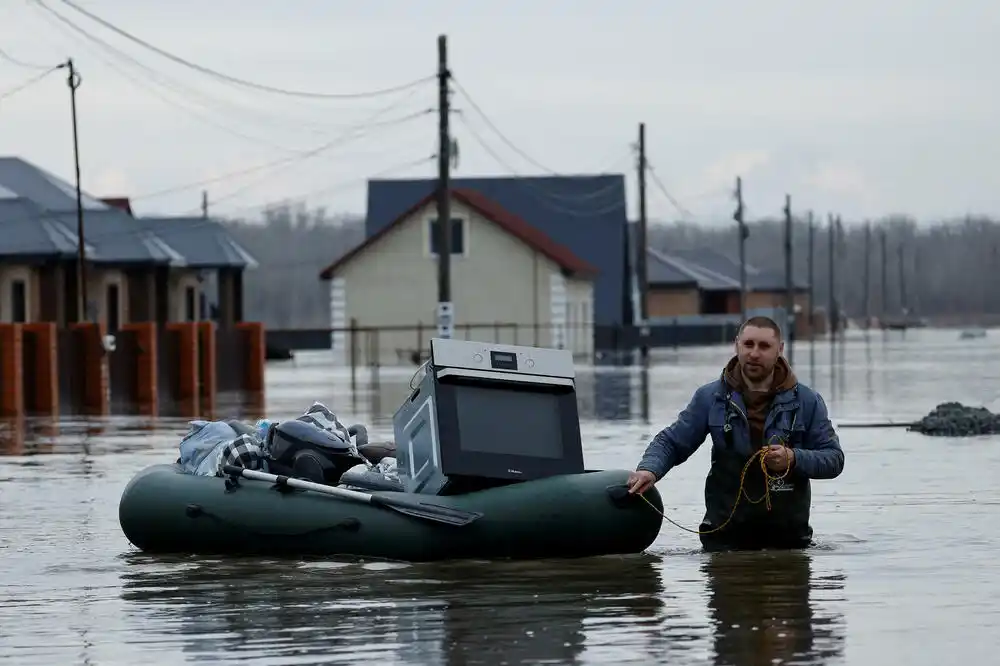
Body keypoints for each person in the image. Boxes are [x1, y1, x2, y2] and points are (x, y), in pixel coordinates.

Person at [626, 315, 845, 551]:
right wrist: (649, 470)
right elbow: (671, 442)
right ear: (737, 345)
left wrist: (793, 459)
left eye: (764, 346)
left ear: (780, 350)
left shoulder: (807, 401)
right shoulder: (710, 397)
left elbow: (834, 459)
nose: (754, 353)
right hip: (724, 539)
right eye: (748, 344)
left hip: (789, 543)